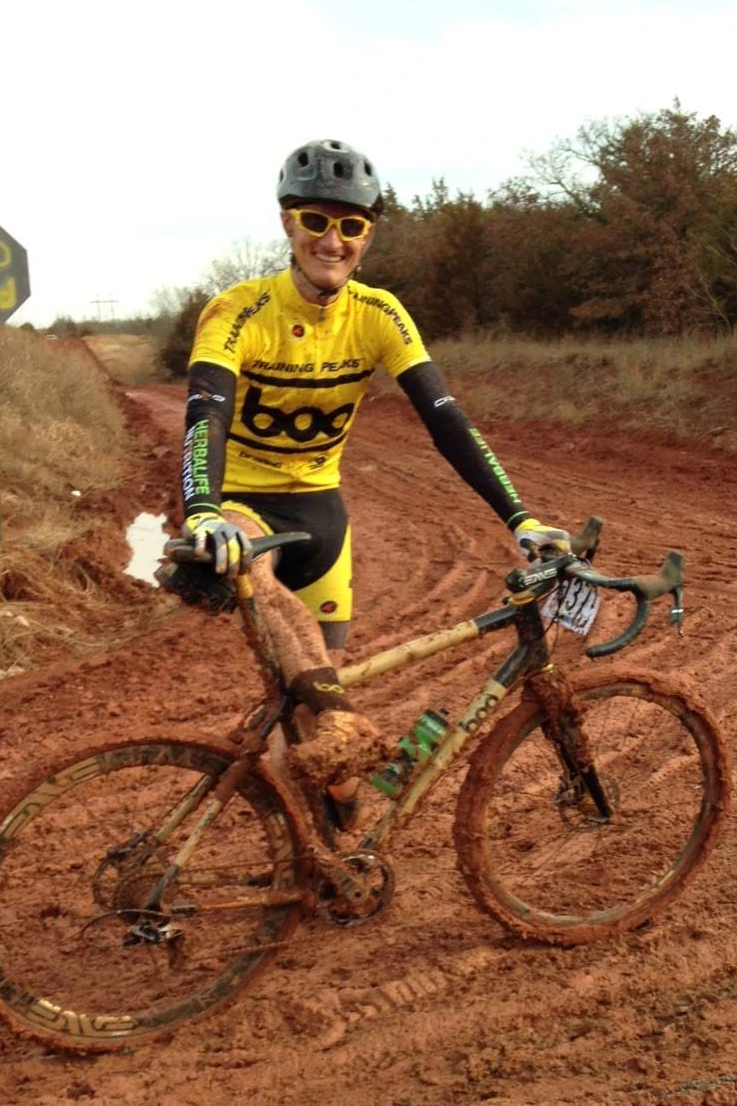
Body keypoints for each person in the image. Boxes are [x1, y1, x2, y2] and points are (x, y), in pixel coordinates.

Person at [179, 137, 566, 811]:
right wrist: (203, 510)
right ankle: (336, 736)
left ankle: (325, 835)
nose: (332, 240)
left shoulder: (379, 313)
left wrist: (521, 518)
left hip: (323, 519)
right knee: (320, 700)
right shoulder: (240, 309)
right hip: (241, 506)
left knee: (317, 721)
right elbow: (205, 411)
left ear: (368, 234)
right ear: (287, 223)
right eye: (316, 221)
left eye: (351, 225)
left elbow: (447, 421)